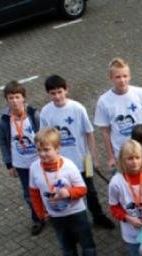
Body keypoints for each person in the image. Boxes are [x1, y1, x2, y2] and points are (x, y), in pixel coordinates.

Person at [28, 127, 100, 256]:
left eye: (47, 149)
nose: (43, 154)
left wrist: (68, 192)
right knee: (66, 248)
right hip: (55, 216)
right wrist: (40, 213)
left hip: (76, 214)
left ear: (57, 148)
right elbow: (33, 192)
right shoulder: (34, 168)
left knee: (87, 246)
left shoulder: (68, 166)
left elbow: (82, 189)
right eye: (39, 150)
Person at [40, 74, 115, 229]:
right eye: (53, 93)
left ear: (66, 89)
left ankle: (98, 216)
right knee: (64, 192)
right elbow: (44, 139)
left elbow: (89, 133)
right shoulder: (45, 113)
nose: (57, 96)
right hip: (59, 164)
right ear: (48, 94)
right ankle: (72, 220)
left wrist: (94, 157)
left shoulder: (77, 108)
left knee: (90, 191)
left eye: (60, 92)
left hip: (83, 160)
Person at [0, 80, 45, 235]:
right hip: (21, 164)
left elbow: (45, 135)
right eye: (11, 98)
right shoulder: (4, 120)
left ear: (23, 97)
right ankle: (37, 218)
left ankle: (53, 213)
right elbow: (2, 142)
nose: (14, 101)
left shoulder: (33, 114)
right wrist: (9, 165)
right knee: (29, 193)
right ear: (6, 99)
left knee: (47, 187)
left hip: (40, 161)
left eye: (17, 97)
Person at [94, 58, 142, 171]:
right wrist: (111, 157)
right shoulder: (103, 101)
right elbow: (105, 131)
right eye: (118, 77)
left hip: (141, 150)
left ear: (130, 76)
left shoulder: (141, 94)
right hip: (121, 154)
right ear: (111, 78)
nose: (122, 80)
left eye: (125, 76)